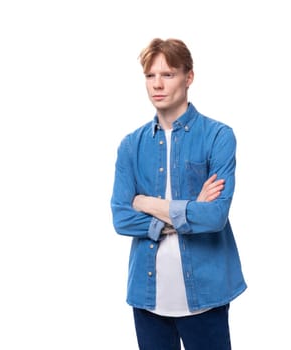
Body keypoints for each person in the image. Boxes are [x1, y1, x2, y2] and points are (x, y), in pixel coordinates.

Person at [110, 38, 247, 350]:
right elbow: (121, 217)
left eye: (168, 75)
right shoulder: (131, 145)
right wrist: (188, 211)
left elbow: (214, 216)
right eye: (150, 76)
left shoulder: (218, 136)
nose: (157, 84)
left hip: (205, 295)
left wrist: (147, 203)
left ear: (189, 77)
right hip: (148, 298)